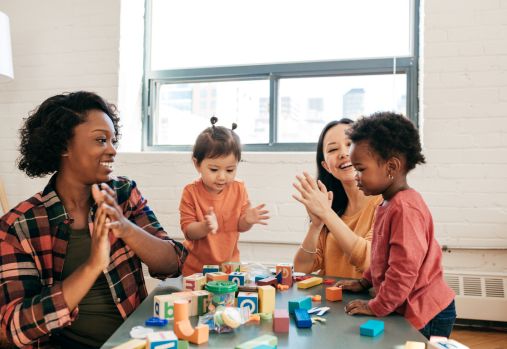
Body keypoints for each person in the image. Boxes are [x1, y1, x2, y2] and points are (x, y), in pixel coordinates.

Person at [0, 91, 187, 349]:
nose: (112, 150)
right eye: (101, 140)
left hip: (138, 341)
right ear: (64, 145)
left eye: (113, 140)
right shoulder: (19, 226)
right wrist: (92, 265)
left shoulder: (123, 194)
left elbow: (175, 263)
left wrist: (125, 227)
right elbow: (14, 329)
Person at [336, 111, 456, 338]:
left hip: (427, 311)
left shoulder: (404, 209)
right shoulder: (388, 202)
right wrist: (366, 281)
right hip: (407, 304)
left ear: (391, 167)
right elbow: (383, 255)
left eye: (361, 169)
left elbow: (404, 270)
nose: (355, 176)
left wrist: (376, 306)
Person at [179, 117, 269, 276]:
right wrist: (205, 226)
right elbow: (188, 231)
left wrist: (248, 220)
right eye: (214, 169)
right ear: (197, 164)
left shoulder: (239, 188)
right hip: (196, 270)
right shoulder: (191, 192)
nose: (222, 177)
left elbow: (240, 226)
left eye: (230, 170)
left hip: (230, 268)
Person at [292, 119, 382, 278]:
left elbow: (370, 261)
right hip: (331, 302)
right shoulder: (332, 208)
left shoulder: (384, 204)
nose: (343, 153)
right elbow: (301, 268)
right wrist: (316, 226)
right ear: (326, 166)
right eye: (333, 149)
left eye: (350, 144)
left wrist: (326, 214)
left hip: (366, 303)